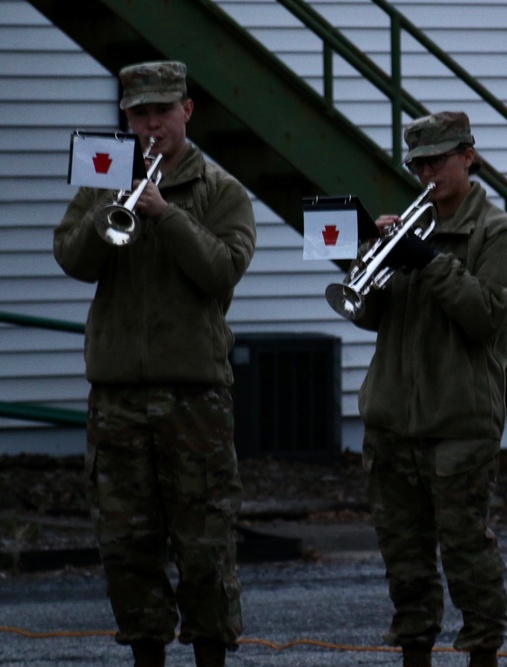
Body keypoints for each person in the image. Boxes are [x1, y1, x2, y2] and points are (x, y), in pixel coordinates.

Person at [52, 61, 256, 667]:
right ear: (124, 116)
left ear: (187, 111)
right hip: (117, 397)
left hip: (194, 398)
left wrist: (165, 213)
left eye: (161, 112)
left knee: (204, 546)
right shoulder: (102, 178)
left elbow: (221, 271)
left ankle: (211, 656)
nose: (150, 125)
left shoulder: (221, 191)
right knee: (127, 545)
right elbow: (72, 258)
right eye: (138, 113)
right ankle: (146, 654)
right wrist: (106, 208)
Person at [347, 111, 507, 667]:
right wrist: (369, 255)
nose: (429, 172)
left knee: (466, 554)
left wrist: (427, 261)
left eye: (440, 160)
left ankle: (482, 655)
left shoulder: (496, 233)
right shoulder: (411, 224)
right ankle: (415, 653)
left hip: (459, 424)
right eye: (420, 163)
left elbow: (486, 315)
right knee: (404, 559)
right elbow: (369, 315)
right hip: (392, 421)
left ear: (468, 156)